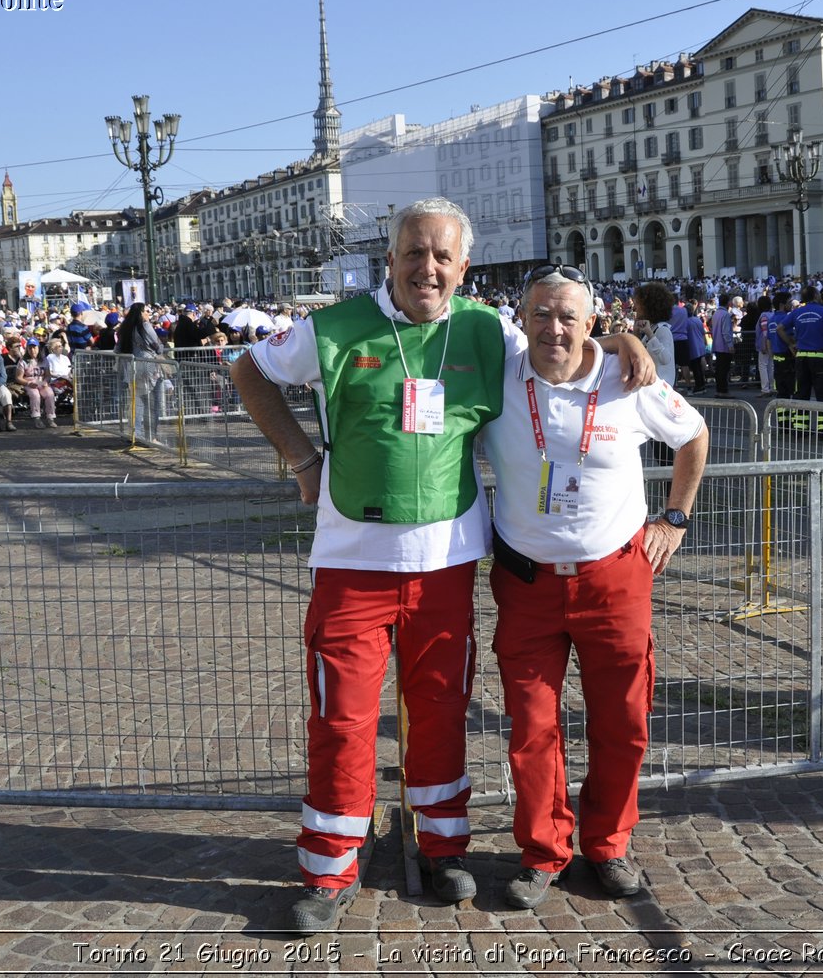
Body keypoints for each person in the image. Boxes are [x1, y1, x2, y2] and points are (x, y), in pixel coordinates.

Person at [228, 198, 651, 934]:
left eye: (443, 257)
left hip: (446, 565)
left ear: (463, 267)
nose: (428, 268)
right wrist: (299, 455)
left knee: (440, 712)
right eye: (414, 253)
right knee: (341, 715)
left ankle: (442, 844)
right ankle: (330, 867)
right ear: (388, 260)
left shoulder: (488, 329)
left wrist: (612, 340)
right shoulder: (335, 326)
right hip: (351, 562)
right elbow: (250, 370)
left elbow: (561, 342)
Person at [482, 267, 708, 909]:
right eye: (541, 315)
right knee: (530, 726)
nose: (554, 328)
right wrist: (621, 336)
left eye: (568, 318)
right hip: (526, 580)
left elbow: (693, 435)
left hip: (614, 578)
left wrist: (675, 517)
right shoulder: (501, 367)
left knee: (624, 720)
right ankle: (543, 852)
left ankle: (608, 843)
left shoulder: (628, 379)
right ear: (521, 318)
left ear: (591, 324)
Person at [780, 286, 823, 425]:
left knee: (802, 393)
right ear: (815, 296)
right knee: (822, 395)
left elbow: (780, 328)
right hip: (819, 356)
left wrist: (791, 344)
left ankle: (801, 428)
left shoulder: (797, 312)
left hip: (801, 357)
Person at [116, 303, 166, 442]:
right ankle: (151, 436)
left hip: (132, 368)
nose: (148, 314)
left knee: (136, 403)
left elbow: (117, 349)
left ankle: (135, 433)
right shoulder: (144, 326)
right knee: (152, 403)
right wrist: (159, 347)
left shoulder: (125, 328)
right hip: (149, 367)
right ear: (140, 313)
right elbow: (158, 348)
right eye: (146, 311)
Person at [631, 283, 676, 387]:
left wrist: (650, 335)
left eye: (638, 304)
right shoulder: (652, 329)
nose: (635, 308)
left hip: (661, 389)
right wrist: (636, 332)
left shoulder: (663, 330)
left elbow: (665, 359)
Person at [16, 338, 58, 428]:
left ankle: (50, 417)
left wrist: (46, 382)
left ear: (38, 348)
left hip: (41, 381)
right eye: (30, 348)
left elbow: (48, 375)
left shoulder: (44, 360)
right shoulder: (23, 361)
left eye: (34, 348)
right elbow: (19, 378)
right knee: (35, 395)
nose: (32, 350)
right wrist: (28, 383)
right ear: (27, 349)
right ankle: (37, 418)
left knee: (50, 394)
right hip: (29, 382)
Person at [709, 295, 736, 397]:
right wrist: (730, 345)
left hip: (716, 344)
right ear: (728, 302)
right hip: (724, 346)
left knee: (719, 369)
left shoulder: (716, 314)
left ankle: (719, 390)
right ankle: (724, 391)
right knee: (724, 370)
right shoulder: (725, 315)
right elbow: (726, 332)